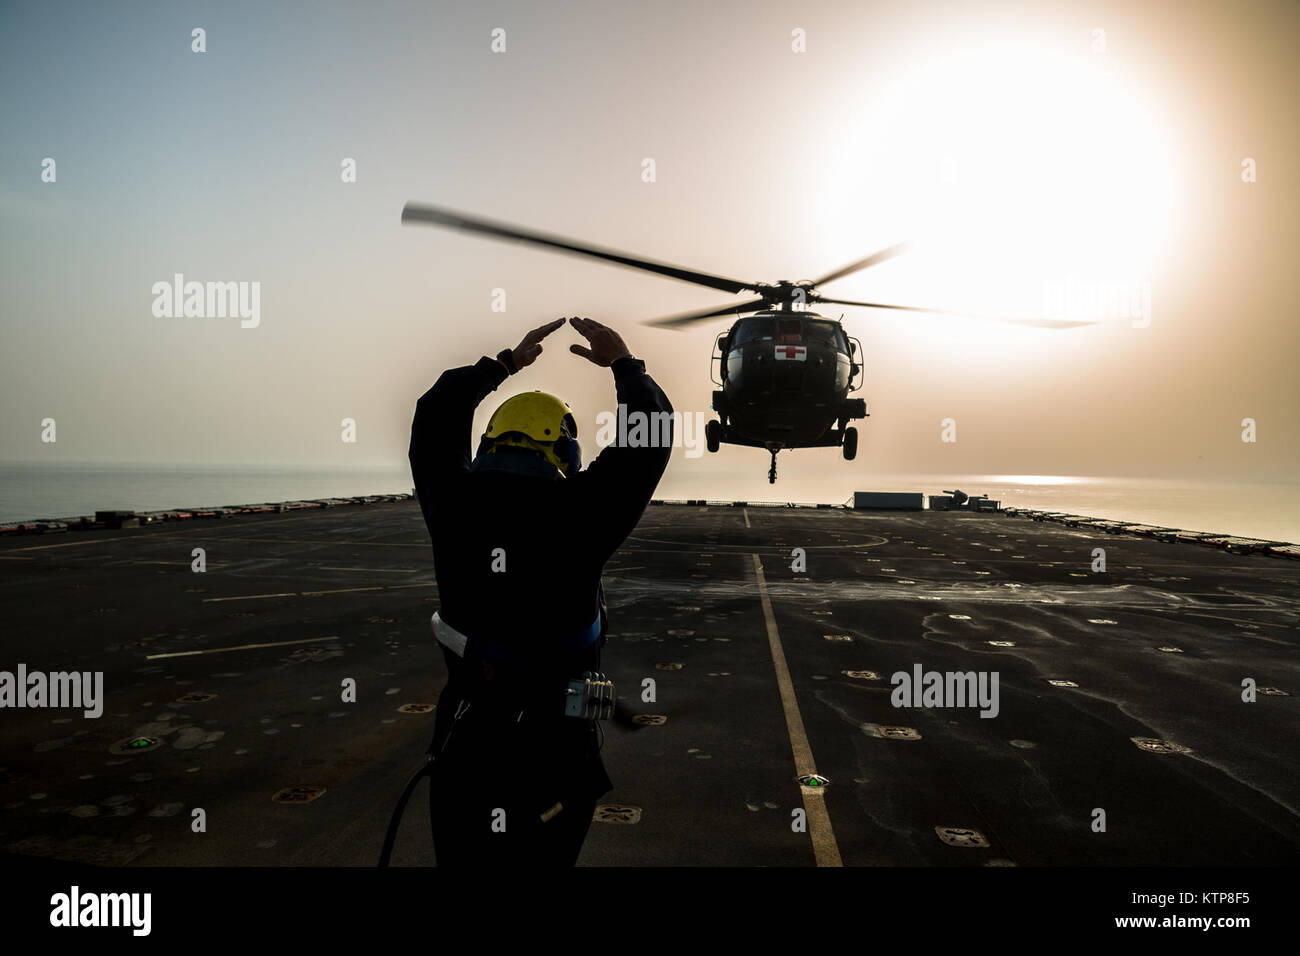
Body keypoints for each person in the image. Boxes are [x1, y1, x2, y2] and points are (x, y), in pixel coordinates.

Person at [408, 316, 672, 866]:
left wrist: (500, 365)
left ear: (488, 442)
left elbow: (433, 415)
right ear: (563, 451)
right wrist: (625, 365)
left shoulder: (451, 502)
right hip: (552, 759)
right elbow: (648, 442)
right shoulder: (580, 512)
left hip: (466, 748)